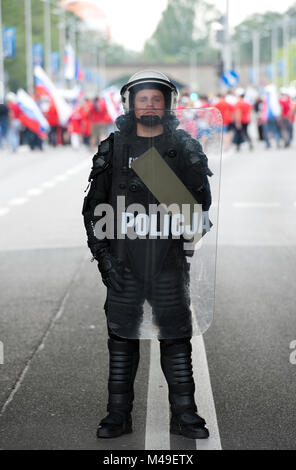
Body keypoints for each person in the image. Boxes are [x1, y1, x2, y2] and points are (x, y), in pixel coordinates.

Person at [82, 71, 213, 440]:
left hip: (168, 261)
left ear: (167, 104)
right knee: (122, 342)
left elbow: (199, 211)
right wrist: (103, 257)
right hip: (124, 261)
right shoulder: (113, 148)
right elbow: (93, 209)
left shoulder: (183, 145)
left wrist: (196, 172)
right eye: (143, 99)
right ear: (131, 104)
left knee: (175, 338)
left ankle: (185, 414)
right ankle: (117, 415)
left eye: (157, 99)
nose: (150, 105)